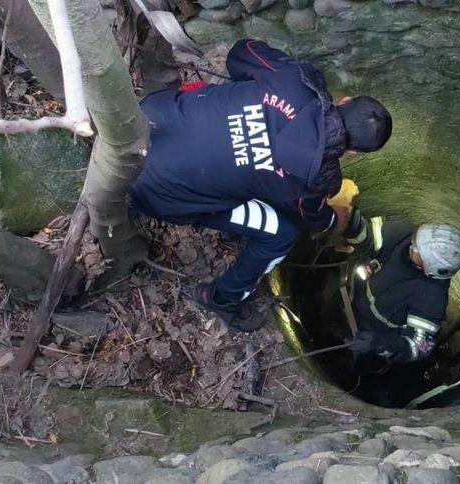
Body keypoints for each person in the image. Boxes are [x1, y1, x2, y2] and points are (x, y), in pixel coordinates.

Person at [129, 38, 392, 329]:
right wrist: (334, 219)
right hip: (156, 192)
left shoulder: (294, 79)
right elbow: (314, 221)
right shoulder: (314, 183)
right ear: (352, 152)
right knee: (281, 234)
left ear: (344, 101)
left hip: (142, 122)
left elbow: (241, 53)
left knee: (217, 105)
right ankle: (219, 298)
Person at [339, 211, 460, 365]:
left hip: (370, 334)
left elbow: (421, 347)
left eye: (418, 250)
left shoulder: (432, 299)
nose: (412, 244)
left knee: (359, 360)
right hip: (351, 299)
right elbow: (368, 235)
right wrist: (350, 221)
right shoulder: (405, 233)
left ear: (431, 268)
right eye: (417, 240)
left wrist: (379, 344)